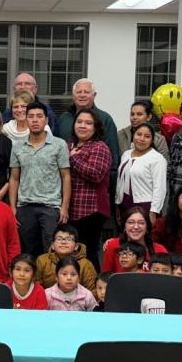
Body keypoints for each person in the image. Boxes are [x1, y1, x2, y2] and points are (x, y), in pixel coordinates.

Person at [9, 102, 71, 256]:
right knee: (28, 253)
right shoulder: (17, 146)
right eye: (30, 116)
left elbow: (66, 176)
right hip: (25, 207)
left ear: (46, 120)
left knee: (51, 252)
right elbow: (14, 178)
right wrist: (12, 208)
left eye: (39, 116)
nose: (35, 120)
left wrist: (64, 207)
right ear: (25, 119)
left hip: (50, 207)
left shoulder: (59, 145)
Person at [67, 109, 112, 270]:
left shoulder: (100, 147)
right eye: (79, 122)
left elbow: (96, 174)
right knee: (73, 254)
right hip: (71, 208)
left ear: (95, 127)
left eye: (88, 123)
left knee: (88, 253)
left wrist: (73, 158)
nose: (83, 126)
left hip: (91, 210)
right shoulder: (69, 145)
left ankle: (94, 290)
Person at [55, 79, 120, 174]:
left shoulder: (105, 119)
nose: (82, 95)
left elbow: (113, 155)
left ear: (94, 95)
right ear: (73, 96)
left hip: (94, 179)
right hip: (65, 177)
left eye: (86, 92)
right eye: (79, 92)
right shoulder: (64, 118)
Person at [116, 123, 167, 223]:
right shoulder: (126, 154)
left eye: (147, 136)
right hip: (125, 204)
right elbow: (120, 181)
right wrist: (117, 203)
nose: (142, 139)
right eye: (138, 134)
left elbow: (160, 187)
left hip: (145, 206)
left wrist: (154, 211)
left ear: (152, 140)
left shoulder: (157, 159)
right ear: (133, 135)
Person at [101, 207, 168, 273]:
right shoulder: (113, 246)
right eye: (131, 222)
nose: (136, 227)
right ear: (124, 226)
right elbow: (105, 278)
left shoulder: (160, 250)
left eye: (141, 223)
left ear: (147, 227)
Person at [35, 224, 97, 291]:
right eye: (59, 239)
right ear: (52, 245)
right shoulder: (42, 260)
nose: (63, 242)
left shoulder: (85, 264)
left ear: (76, 246)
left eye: (69, 239)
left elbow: (93, 291)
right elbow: (36, 287)